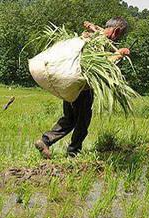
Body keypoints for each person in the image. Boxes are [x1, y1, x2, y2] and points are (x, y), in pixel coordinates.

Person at [34, 17, 131, 159]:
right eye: (119, 35)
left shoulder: (91, 36)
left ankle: (45, 141)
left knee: (69, 119)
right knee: (82, 122)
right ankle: (73, 153)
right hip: (82, 88)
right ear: (116, 31)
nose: (117, 40)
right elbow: (100, 64)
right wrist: (118, 54)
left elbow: (96, 34)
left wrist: (93, 27)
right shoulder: (98, 41)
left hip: (69, 85)